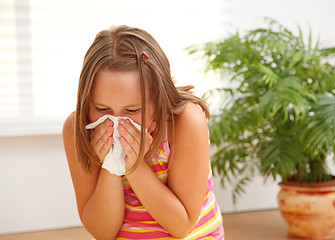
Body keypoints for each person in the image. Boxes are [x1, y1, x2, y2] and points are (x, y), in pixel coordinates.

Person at [62, 25, 224, 240]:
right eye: (102, 109)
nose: (117, 123)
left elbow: (181, 226)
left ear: (157, 101)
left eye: (132, 110)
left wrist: (134, 167)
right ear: (86, 100)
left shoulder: (185, 122)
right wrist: (112, 165)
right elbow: (103, 232)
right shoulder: (78, 128)